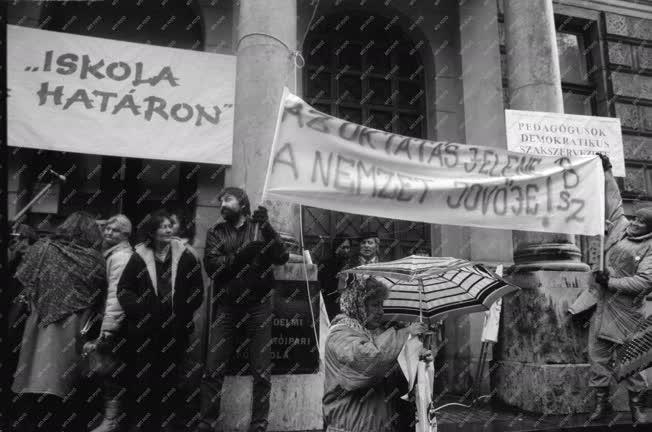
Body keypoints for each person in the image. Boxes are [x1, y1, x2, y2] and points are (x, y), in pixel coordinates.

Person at [199, 187, 289, 432]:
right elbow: (213, 268)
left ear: (242, 202)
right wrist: (241, 255)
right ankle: (207, 423)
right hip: (227, 307)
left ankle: (259, 425)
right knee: (213, 368)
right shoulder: (216, 232)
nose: (222, 205)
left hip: (258, 307)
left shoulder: (259, 228)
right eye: (221, 201)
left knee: (261, 371)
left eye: (227, 199)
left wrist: (269, 228)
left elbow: (282, 257)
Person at [12, 211, 106, 432]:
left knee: (35, 375)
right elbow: (100, 292)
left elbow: (21, 278)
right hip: (74, 324)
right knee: (64, 381)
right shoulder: (94, 259)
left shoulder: (42, 248)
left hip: (39, 320)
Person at [117, 209, 204, 432]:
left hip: (176, 330)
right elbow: (125, 290)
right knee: (145, 378)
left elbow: (197, 290)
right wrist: (141, 311)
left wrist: (183, 313)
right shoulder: (138, 257)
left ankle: (171, 423)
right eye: (162, 227)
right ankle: (146, 423)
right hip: (146, 331)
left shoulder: (186, 255)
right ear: (152, 232)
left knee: (174, 378)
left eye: (169, 226)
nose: (167, 230)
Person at [588, 154, 652, 425]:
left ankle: (637, 407)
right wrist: (607, 170)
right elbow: (613, 199)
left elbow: (645, 281)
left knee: (630, 360)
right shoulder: (620, 229)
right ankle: (602, 406)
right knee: (597, 356)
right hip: (602, 307)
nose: (634, 224)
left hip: (628, 313)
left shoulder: (649, 247)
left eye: (641, 223)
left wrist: (610, 282)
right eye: (635, 219)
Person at [323, 276, 431, 432]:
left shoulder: (375, 336)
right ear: (358, 305)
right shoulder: (339, 335)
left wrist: (416, 359)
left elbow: (392, 382)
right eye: (375, 305)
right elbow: (369, 363)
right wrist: (405, 333)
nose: (381, 311)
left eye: (382, 304)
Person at [86, 215, 133, 432]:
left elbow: (116, 295)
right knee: (106, 370)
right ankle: (111, 419)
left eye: (114, 230)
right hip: (109, 320)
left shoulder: (121, 257)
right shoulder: (113, 253)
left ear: (125, 235)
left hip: (115, 324)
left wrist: (108, 330)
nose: (108, 233)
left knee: (109, 372)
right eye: (106, 229)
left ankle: (111, 421)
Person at [319, 237, 352, 320]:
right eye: (343, 247)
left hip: (348, 309)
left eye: (348, 248)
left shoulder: (352, 266)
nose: (346, 250)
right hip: (329, 308)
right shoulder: (325, 265)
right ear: (336, 248)